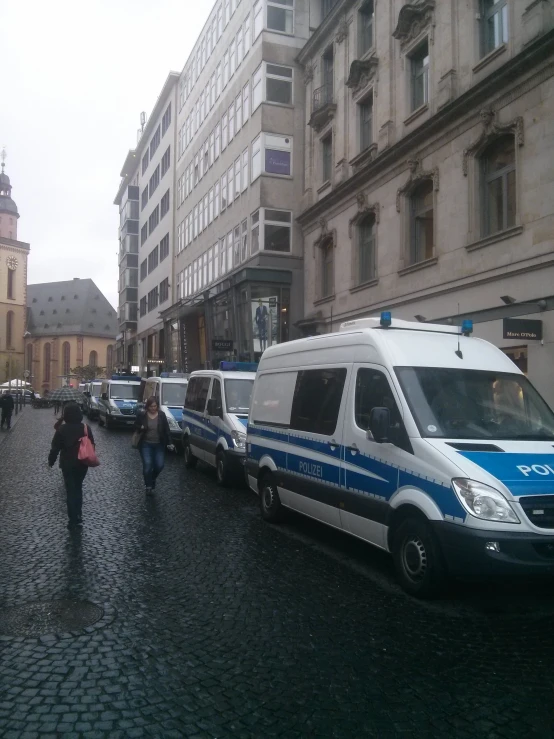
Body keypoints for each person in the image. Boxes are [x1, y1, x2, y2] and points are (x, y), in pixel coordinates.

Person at [48, 402, 95, 529]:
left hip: (67, 463)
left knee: (70, 490)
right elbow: (92, 444)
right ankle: (79, 514)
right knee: (78, 487)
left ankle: (72, 518)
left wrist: (50, 462)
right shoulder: (85, 427)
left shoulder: (62, 429)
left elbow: (55, 448)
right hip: (82, 462)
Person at [134, 397, 174, 495]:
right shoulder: (142, 415)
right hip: (145, 444)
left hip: (159, 444)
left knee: (160, 465)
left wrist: (170, 442)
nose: (153, 408)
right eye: (151, 406)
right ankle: (148, 486)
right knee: (147, 465)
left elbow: (167, 429)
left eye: (155, 406)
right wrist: (140, 427)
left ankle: (151, 478)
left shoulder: (161, 415)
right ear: (148, 406)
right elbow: (135, 425)